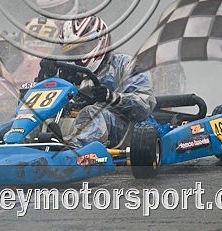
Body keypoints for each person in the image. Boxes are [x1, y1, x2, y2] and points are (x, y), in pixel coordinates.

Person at [56, 16, 156, 148]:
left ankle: (71, 151)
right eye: (74, 51)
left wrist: (111, 97)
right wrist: (47, 76)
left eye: (84, 48)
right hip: (73, 126)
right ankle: (25, 147)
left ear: (100, 40)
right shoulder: (69, 72)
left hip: (125, 128)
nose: (79, 55)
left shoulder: (127, 65)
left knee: (92, 112)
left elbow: (143, 107)